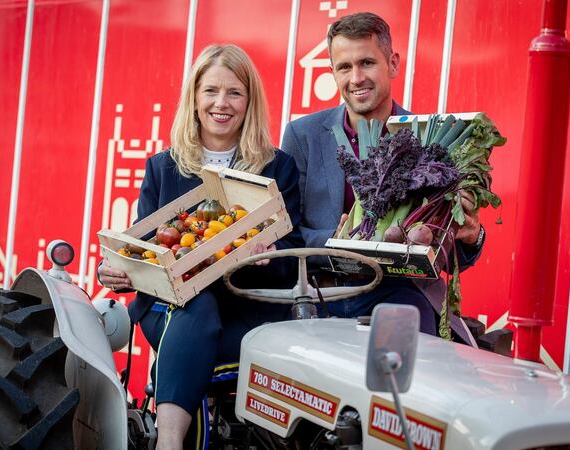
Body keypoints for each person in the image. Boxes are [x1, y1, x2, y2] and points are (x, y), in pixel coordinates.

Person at [98, 44, 302, 450]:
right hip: (168, 308)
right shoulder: (163, 166)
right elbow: (145, 249)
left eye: (234, 92)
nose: (221, 103)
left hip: (245, 308)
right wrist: (118, 271)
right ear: (194, 97)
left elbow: (291, 254)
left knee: (202, 318)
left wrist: (266, 256)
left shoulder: (278, 167)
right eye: (210, 91)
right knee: (197, 305)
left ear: (250, 101)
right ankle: (171, 442)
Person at [280, 12, 484, 343]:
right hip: (319, 292)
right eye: (344, 67)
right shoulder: (302, 136)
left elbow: (446, 254)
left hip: (398, 293)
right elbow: (286, 234)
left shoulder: (429, 139)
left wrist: (470, 236)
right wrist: (337, 241)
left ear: (393, 64)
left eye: (367, 63)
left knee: (405, 357)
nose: (356, 78)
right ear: (332, 72)